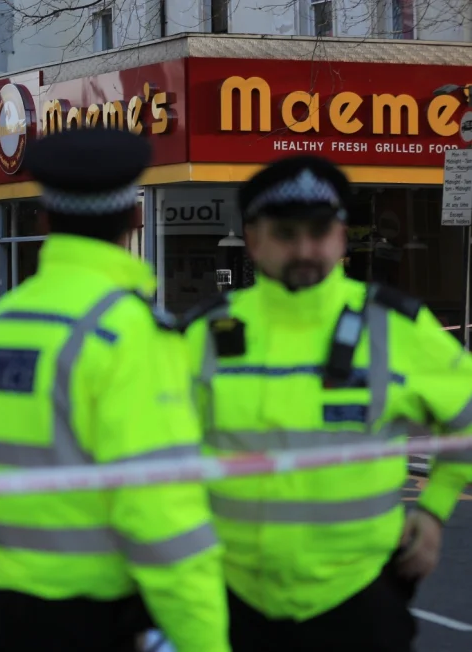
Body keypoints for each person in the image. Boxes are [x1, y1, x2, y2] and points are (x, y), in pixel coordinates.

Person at [0, 127, 229, 652]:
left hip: (8, 608)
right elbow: (161, 509)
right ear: (130, 218)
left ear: (46, 218)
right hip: (100, 616)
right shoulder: (130, 333)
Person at [179, 155, 472, 651]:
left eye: (319, 231)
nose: (305, 248)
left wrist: (435, 510)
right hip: (231, 601)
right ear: (253, 240)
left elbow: (465, 418)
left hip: (358, 601)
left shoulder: (397, 326)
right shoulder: (203, 334)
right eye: (286, 233)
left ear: (340, 235)